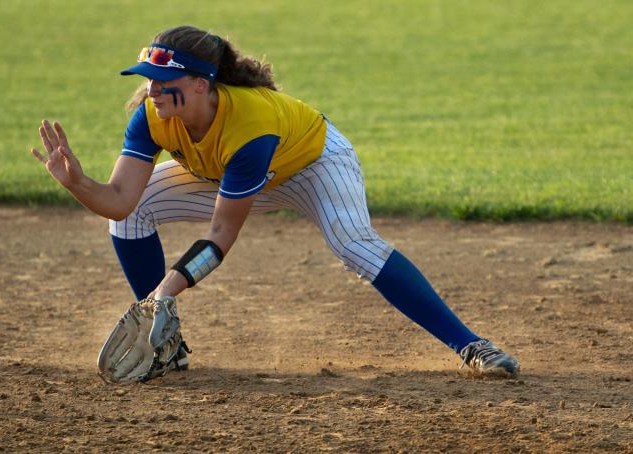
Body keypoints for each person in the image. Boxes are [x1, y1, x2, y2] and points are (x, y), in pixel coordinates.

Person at [31, 25, 519, 377]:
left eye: (167, 84)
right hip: (228, 172)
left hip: (311, 164)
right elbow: (119, 201)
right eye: (150, 81)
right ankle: (166, 348)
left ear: (202, 84)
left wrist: (166, 291)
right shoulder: (152, 115)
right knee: (137, 213)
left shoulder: (249, 127)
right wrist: (77, 182)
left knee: (355, 244)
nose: (154, 92)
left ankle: (471, 345)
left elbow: (221, 236)